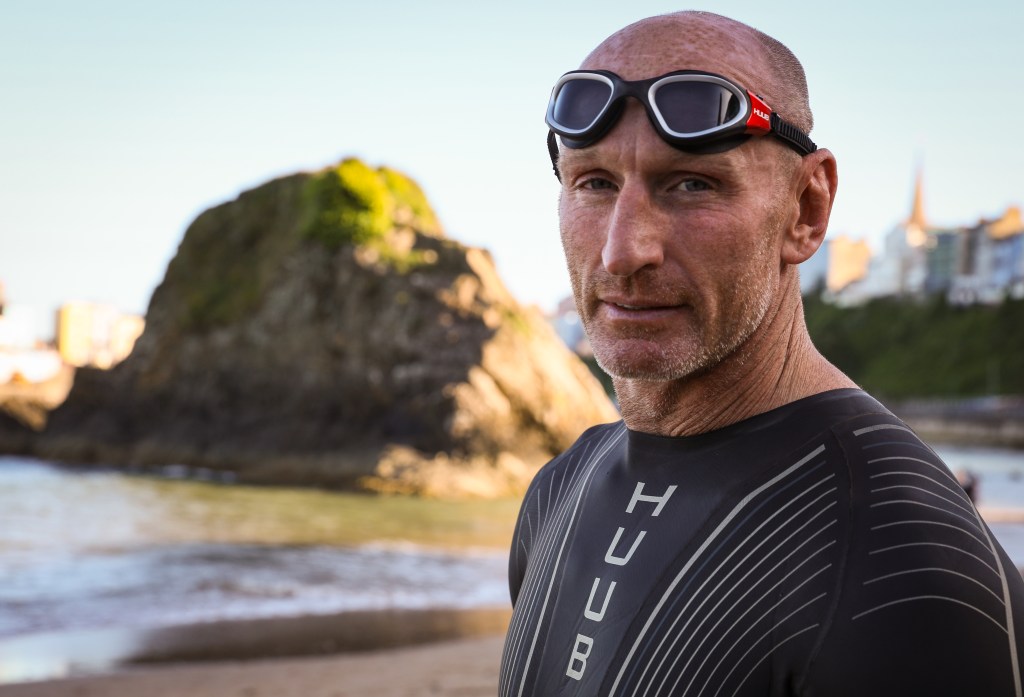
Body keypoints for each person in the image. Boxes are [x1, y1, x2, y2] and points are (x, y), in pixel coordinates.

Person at [499, 10, 1024, 697]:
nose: (623, 251)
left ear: (807, 208)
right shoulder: (559, 491)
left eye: (692, 184)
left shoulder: (902, 565)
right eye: (594, 183)